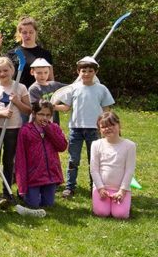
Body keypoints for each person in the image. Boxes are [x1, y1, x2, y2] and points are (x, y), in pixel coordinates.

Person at [54, 56, 115, 198]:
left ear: (95, 72)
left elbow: (106, 110)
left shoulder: (101, 89)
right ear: (78, 72)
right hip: (76, 129)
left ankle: (95, 186)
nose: (87, 73)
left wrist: (106, 126)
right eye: (84, 71)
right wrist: (52, 106)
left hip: (94, 130)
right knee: (73, 159)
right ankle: (70, 187)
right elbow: (66, 107)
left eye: (90, 71)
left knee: (94, 159)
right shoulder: (73, 88)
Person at [0, 56, 32, 202]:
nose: (2, 73)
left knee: (9, 160)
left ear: (12, 70)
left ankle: (7, 191)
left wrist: (17, 102)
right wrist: (0, 113)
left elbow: (28, 110)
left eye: (6, 70)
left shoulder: (20, 87)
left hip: (13, 129)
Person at [14, 101, 67, 209]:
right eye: (41, 114)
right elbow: (20, 157)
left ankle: (40, 194)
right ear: (34, 114)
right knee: (33, 205)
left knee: (48, 205)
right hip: (33, 176)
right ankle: (25, 195)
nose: (44, 118)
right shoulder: (25, 130)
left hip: (50, 176)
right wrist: (22, 184)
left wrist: (49, 130)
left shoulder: (54, 127)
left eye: (47, 115)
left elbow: (62, 147)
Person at [90, 112, 136, 219]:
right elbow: (94, 169)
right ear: (99, 130)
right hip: (101, 188)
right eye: (104, 127)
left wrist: (122, 190)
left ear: (119, 125)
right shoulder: (96, 145)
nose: (108, 128)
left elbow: (129, 170)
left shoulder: (129, 145)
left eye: (112, 125)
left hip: (120, 189)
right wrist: (100, 188)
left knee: (120, 215)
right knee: (101, 213)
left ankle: (125, 202)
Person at [6, 16, 54, 89]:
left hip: (39, 96)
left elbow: (50, 79)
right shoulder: (12, 54)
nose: (28, 35)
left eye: (31, 32)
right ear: (20, 34)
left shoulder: (45, 54)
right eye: (24, 33)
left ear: (35, 32)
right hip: (18, 95)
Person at [27, 58, 65, 125]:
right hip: (38, 124)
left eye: (45, 72)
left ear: (49, 72)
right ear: (32, 72)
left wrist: (81, 77)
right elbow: (38, 108)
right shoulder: (33, 89)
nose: (43, 75)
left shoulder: (54, 85)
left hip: (53, 122)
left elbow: (71, 87)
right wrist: (56, 107)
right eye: (39, 73)